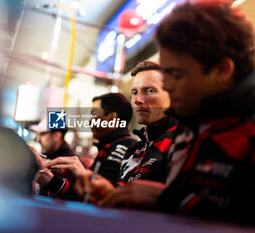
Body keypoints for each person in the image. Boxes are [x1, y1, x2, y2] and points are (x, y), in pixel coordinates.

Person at [82, 0, 255, 224]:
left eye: (176, 74)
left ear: (222, 70)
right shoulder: (191, 129)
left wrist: (168, 199)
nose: (169, 86)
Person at [75, 61, 185, 204]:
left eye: (150, 91)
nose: (138, 100)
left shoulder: (183, 143)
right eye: (134, 92)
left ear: (172, 97)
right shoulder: (134, 149)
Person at [35, 93, 136, 200]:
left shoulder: (121, 147)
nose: (89, 122)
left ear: (112, 118)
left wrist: (52, 181)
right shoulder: (109, 147)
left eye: (94, 114)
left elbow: (96, 199)